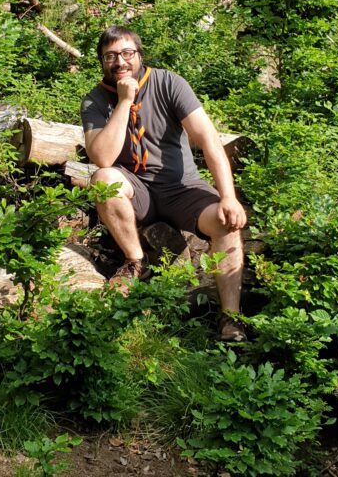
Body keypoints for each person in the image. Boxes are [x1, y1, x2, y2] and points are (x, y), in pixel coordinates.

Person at [80, 26, 247, 341]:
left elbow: (208, 140)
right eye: (110, 56)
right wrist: (124, 102)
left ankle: (231, 318)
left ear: (139, 54)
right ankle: (135, 262)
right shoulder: (95, 100)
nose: (120, 62)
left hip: (181, 188)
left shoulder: (169, 83)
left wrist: (228, 196)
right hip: (137, 190)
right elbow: (102, 157)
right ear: (101, 62)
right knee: (103, 179)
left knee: (226, 221)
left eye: (127, 53)